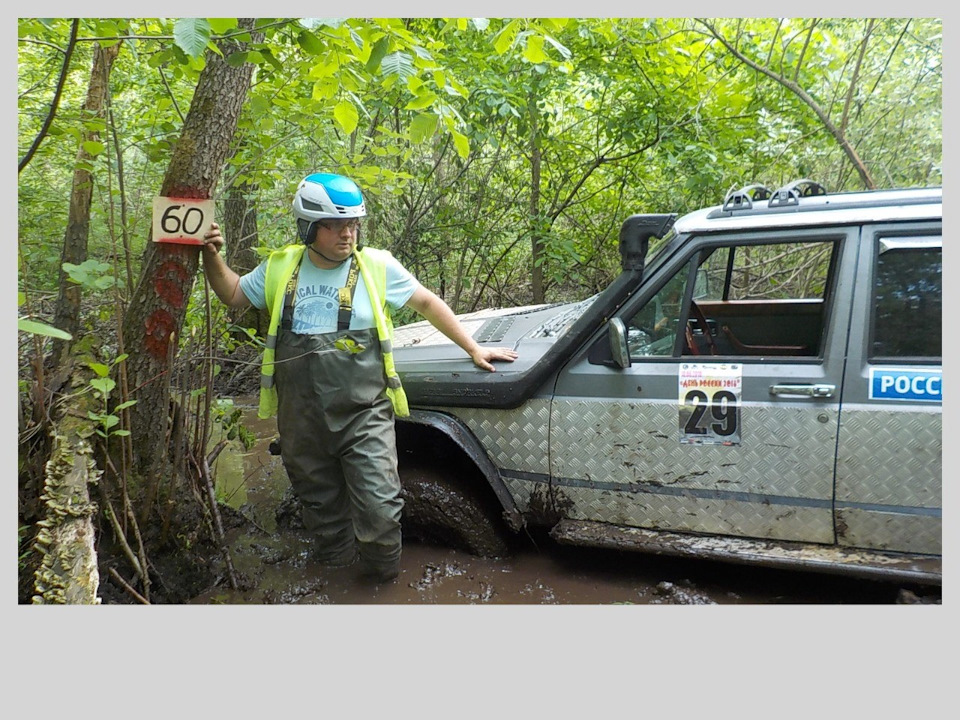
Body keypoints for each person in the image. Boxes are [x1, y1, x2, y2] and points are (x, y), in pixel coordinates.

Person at [201, 172, 518, 583]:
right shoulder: (280, 267)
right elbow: (233, 293)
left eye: (353, 224)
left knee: (380, 508)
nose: (347, 234)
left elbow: (426, 302)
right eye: (335, 226)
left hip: (364, 413)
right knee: (321, 512)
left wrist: (473, 348)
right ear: (310, 227)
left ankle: (382, 587)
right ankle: (335, 584)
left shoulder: (377, 266)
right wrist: (211, 255)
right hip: (301, 418)